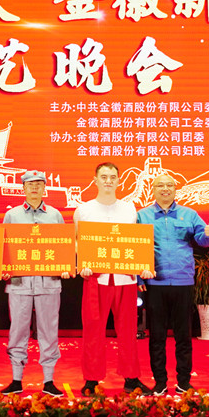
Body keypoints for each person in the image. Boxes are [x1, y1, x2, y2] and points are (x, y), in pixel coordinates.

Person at [75, 162, 154, 396]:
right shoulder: (84, 210)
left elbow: (137, 242)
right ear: (95, 179)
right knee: (93, 330)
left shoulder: (129, 209)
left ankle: (131, 378)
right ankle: (91, 380)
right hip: (95, 279)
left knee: (128, 331)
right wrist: (82, 264)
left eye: (112, 177)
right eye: (104, 176)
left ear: (119, 180)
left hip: (125, 279)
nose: (108, 181)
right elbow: (78, 242)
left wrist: (144, 266)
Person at [137, 174, 209, 395]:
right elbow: (134, 248)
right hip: (155, 283)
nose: (165, 189)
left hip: (183, 281)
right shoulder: (142, 216)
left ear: (175, 189)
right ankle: (160, 382)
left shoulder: (189, 214)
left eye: (169, 185)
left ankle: (184, 382)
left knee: (183, 336)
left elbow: (205, 239)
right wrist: (139, 278)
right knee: (157, 337)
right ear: (153, 189)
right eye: (160, 185)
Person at [0, 170, 69, 397]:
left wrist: (65, 266)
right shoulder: (12, 215)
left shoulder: (55, 215)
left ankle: (48, 380)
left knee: (49, 330)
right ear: (23, 188)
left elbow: (62, 247)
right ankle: (16, 380)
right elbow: (5, 247)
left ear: (44, 188)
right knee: (17, 330)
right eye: (30, 185)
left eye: (39, 184)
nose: (34, 188)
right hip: (19, 282)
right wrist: (3, 267)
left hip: (49, 282)